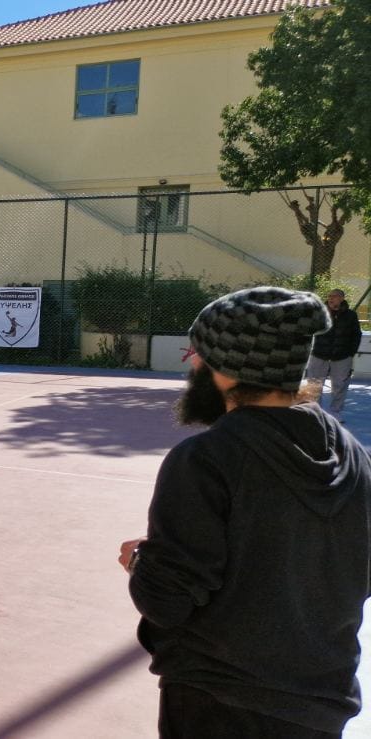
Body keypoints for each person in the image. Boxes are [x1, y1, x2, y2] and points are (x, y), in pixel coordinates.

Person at [118, 286, 369, 738]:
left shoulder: (207, 459)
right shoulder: (351, 453)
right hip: (320, 704)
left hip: (217, 702)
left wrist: (141, 562)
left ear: (230, 370)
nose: (192, 364)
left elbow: (166, 600)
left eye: (199, 354)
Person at [306, 288, 361, 416]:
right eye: (329, 296)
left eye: (334, 296)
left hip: (342, 356)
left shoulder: (351, 315)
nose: (331, 298)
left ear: (342, 299)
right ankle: (315, 413)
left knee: (340, 386)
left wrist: (350, 353)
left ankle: (336, 412)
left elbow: (356, 335)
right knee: (314, 385)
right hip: (319, 355)